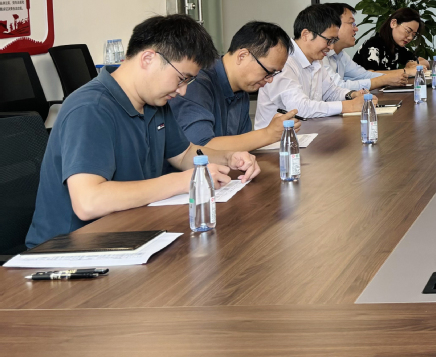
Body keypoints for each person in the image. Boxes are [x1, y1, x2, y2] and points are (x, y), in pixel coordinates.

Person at [25, 15, 261, 248]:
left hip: (130, 233)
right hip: (71, 250)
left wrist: (229, 157)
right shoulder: (91, 108)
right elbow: (88, 202)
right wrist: (182, 181)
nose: (183, 91)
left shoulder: (154, 102)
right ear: (148, 58)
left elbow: (183, 155)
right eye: (182, 79)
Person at [170, 20, 299, 154]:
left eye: (274, 74)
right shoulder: (196, 82)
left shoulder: (242, 89)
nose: (270, 80)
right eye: (268, 72)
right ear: (242, 56)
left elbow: (242, 144)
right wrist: (268, 134)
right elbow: (200, 148)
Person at [254, 4, 366, 129]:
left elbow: (331, 92)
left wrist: (352, 95)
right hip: (279, 139)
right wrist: (349, 106)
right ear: (306, 34)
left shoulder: (316, 59)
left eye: (334, 41)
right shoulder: (283, 61)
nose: (331, 47)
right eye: (328, 40)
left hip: (308, 132)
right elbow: (299, 108)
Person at [321, 3, 407, 91]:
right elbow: (337, 87)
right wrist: (384, 80)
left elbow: (363, 75)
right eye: (351, 23)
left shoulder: (341, 55)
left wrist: (391, 77)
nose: (356, 29)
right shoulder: (321, 56)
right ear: (333, 25)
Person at [352, 7, 430, 74]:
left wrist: (413, 64)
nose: (410, 37)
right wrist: (406, 71)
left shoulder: (397, 47)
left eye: (413, 35)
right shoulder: (373, 45)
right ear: (393, 23)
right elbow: (371, 75)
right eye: (408, 31)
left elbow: (425, 62)